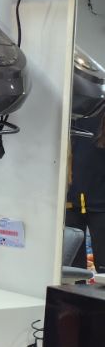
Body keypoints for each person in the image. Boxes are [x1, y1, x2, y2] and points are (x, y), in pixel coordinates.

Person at [67, 114, 105, 272]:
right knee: (74, 266)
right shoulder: (75, 115)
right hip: (72, 202)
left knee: (103, 265)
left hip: (101, 206)